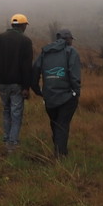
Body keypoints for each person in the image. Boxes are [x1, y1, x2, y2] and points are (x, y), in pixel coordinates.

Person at [0, 14, 35, 154]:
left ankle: (7, 139)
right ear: (22, 25)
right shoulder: (26, 41)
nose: (25, 27)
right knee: (16, 113)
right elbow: (27, 66)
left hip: (1, 82)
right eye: (25, 25)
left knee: (6, 110)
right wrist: (26, 87)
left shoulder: (0, 38)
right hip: (17, 84)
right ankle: (12, 144)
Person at [33, 28, 82, 158]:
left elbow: (35, 71)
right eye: (71, 39)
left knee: (55, 123)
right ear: (68, 39)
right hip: (67, 97)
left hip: (49, 97)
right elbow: (74, 75)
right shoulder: (71, 52)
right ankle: (60, 155)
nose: (72, 41)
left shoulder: (45, 52)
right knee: (62, 125)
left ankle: (58, 150)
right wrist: (76, 92)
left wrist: (37, 90)